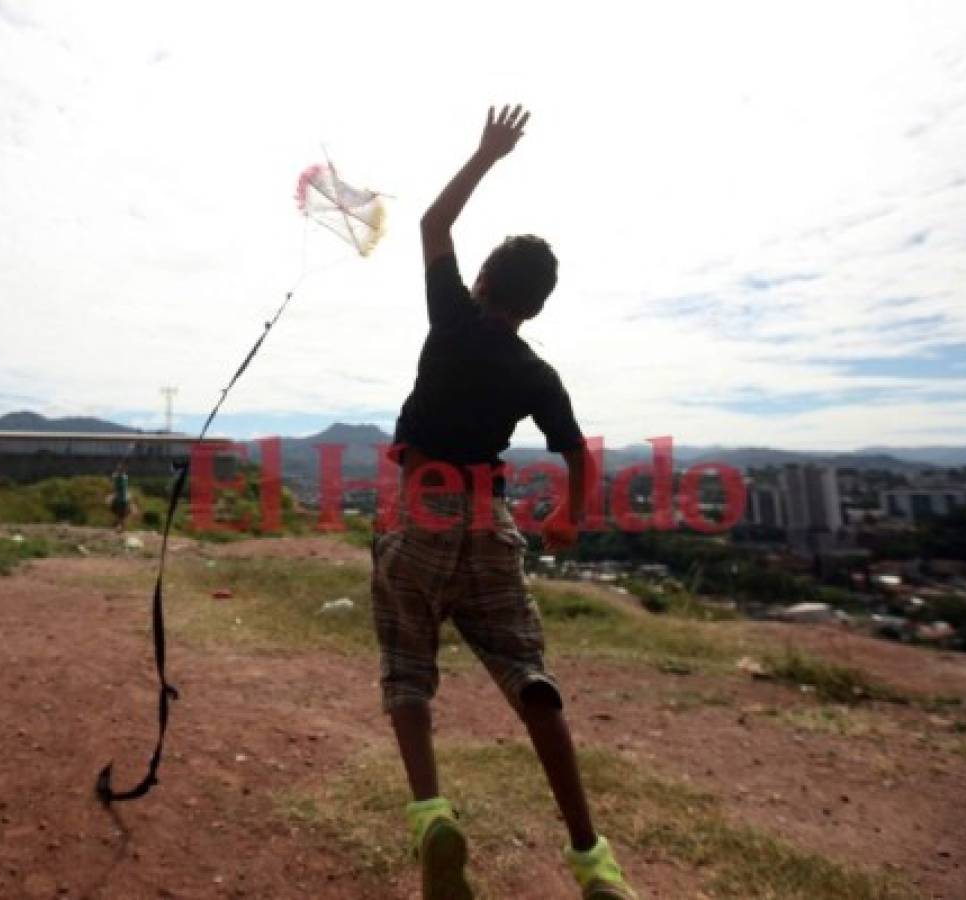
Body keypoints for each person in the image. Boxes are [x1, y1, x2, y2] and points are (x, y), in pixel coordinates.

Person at [371, 105, 638, 900]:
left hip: (421, 509)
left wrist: (486, 154)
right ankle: (592, 860)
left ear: (481, 282)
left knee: (406, 668)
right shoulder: (536, 373)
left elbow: (430, 219)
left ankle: (431, 815)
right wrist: (566, 516)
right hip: (489, 521)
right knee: (527, 672)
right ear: (537, 307)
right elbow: (575, 454)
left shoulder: (450, 316)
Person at [109, 463, 130, 531]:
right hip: (120, 498)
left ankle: (121, 526)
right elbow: (115, 478)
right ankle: (119, 525)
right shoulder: (123, 477)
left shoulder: (122, 478)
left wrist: (116, 474)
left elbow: (115, 480)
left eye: (120, 469)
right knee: (119, 513)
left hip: (122, 499)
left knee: (121, 513)